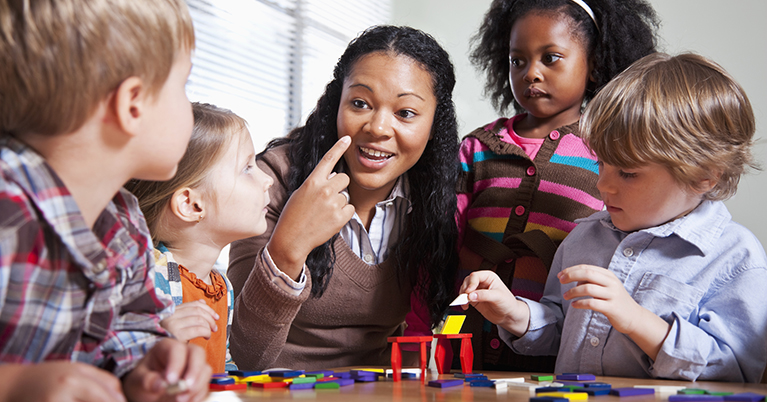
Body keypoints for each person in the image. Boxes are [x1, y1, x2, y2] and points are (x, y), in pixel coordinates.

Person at [461, 52, 767, 382]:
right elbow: (562, 327)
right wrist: (515, 314)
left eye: (628, 173)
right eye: (602, 164)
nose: (603, 184)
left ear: (705, 175)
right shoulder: (585, 238)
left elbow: (735, 371)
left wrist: (636, 320)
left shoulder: (737, 258)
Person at [0, 1, 211, 401]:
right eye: (183, 85)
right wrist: (12, 387)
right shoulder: (7, 212)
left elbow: (131, 331)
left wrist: (147, 367)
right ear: (133, 103)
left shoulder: (124, 223)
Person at [227, 25, 460, 370]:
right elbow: (248, 354)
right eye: (360, 103)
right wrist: (288, 248)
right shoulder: (271, 181)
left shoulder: (432, 197)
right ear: (337, 104)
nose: (378, 127)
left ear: (434, 124)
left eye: (405, 113)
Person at [457, 0, 659, 371]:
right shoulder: (476, 148)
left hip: (556, 349)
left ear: (594, 65)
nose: (531, 73)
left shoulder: (610, 152)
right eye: (518, 60)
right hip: (462, 340)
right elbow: (442, 241)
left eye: (551, 58)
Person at [125, 103, 273, 373]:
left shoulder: (221, 286)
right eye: (247, 168)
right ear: (192, 205)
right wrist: (158, 341)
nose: (268, 180)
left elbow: (219, 367)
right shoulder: (146, 279)